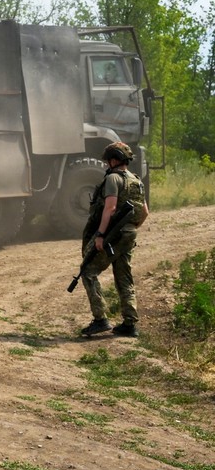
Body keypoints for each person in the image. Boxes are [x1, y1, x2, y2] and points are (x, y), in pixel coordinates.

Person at [79, 142, 149, 338]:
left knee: (88, 272)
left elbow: (109, 209)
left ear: (113, 159)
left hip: (112, 235)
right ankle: (130, 323)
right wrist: (131, 229)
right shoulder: (136, 181)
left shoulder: (113, 179)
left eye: (109, 160)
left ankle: (100, 319)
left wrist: (101, 235)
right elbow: (144, 212)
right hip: (128, 234)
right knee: (124, 277)